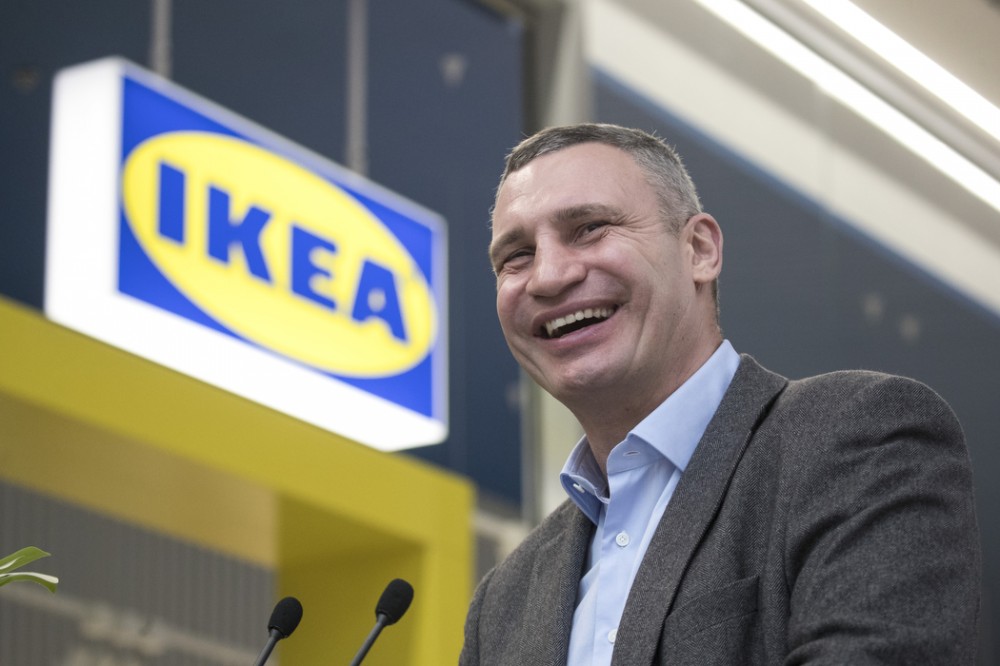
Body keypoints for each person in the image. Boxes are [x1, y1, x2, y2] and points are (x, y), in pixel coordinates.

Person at [460, 123, 981, 665]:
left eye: (590, 228)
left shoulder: (859, 442)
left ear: (700, 250)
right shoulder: (501, 605)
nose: (547, 276)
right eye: (516, 256)